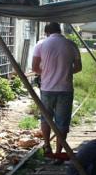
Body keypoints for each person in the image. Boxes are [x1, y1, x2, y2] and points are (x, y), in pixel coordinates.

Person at [32, 22, 82, 161]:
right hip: (65, 89)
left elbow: (35, 68)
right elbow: (78, 67)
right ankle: (59, 152)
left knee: (46, 118)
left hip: (47, 88)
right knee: (62, 122)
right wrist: (65, 71)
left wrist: (46, 72)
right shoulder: (71, 44)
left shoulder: (41, 44)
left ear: (47, 32)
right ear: (59, 31)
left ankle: (47, 146)